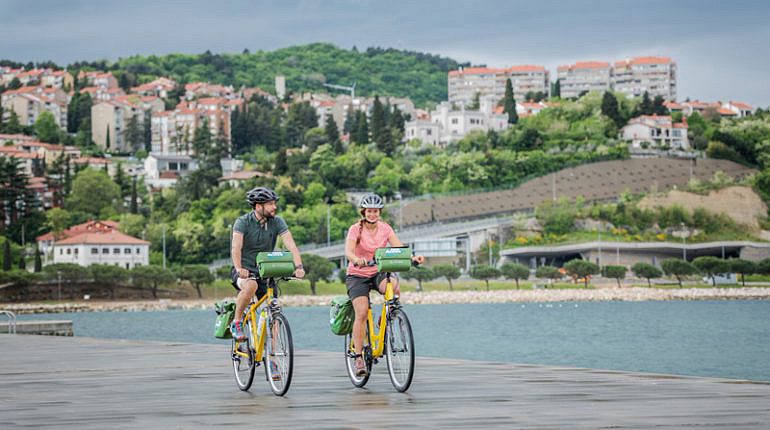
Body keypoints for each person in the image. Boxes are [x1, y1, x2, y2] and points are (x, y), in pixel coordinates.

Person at [344, 193, 423, 376]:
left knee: (394, 286)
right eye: (369, 211)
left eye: (376, 211)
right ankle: (358, 356)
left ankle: (386, 317)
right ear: (364, 212)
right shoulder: (356, 229)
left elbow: (398, 246)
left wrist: (412, 258)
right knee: (362, 313)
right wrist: (356, 259)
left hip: (378, 271)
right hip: (357, 275)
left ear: (380, 212)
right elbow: (348, 251)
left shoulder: (385, 228)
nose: (373, 214)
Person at [230, 187, 304, 350]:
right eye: (270, 204)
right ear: (258, 206)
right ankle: (237, 323)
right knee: (251, 285)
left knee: (273, 309)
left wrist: (298, 266)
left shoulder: (277, 222)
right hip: (244, 271)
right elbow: (236, 247)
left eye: (274, 203)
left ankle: (272, 357)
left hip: (266, 272)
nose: (274, 207)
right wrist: (238, 268)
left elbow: (291, 245)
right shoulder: (242, 222)